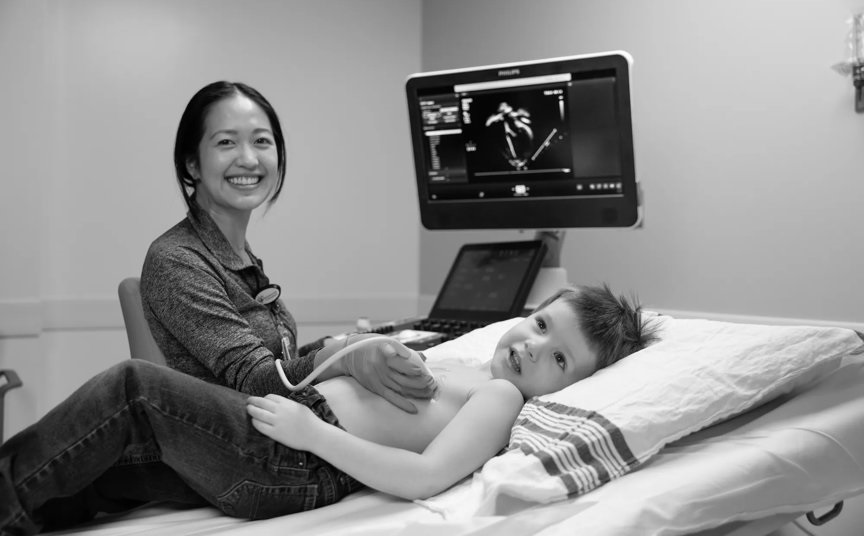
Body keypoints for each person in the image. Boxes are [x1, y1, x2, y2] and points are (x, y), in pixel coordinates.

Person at [0, 285, 657, 534]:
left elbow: (424, 477)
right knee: (120, 467)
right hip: (286, 422)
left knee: (134, 389)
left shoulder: (500, 397)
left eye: (560, 358)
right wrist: (356, 351)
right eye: (540, 324)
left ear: (568, 386)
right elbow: (329, 374)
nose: (533, 347)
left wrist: (312, 433)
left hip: (294, 459)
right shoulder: (456, 357)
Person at [138, 81, 434, 410]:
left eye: (261, 141)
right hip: (247, 446)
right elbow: (257, 380)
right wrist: (342, 355)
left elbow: (277, 360)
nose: (249, 159)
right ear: (192, 163)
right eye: (226, 142)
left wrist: (351, 345)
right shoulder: (178, 260)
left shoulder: (238, 256)